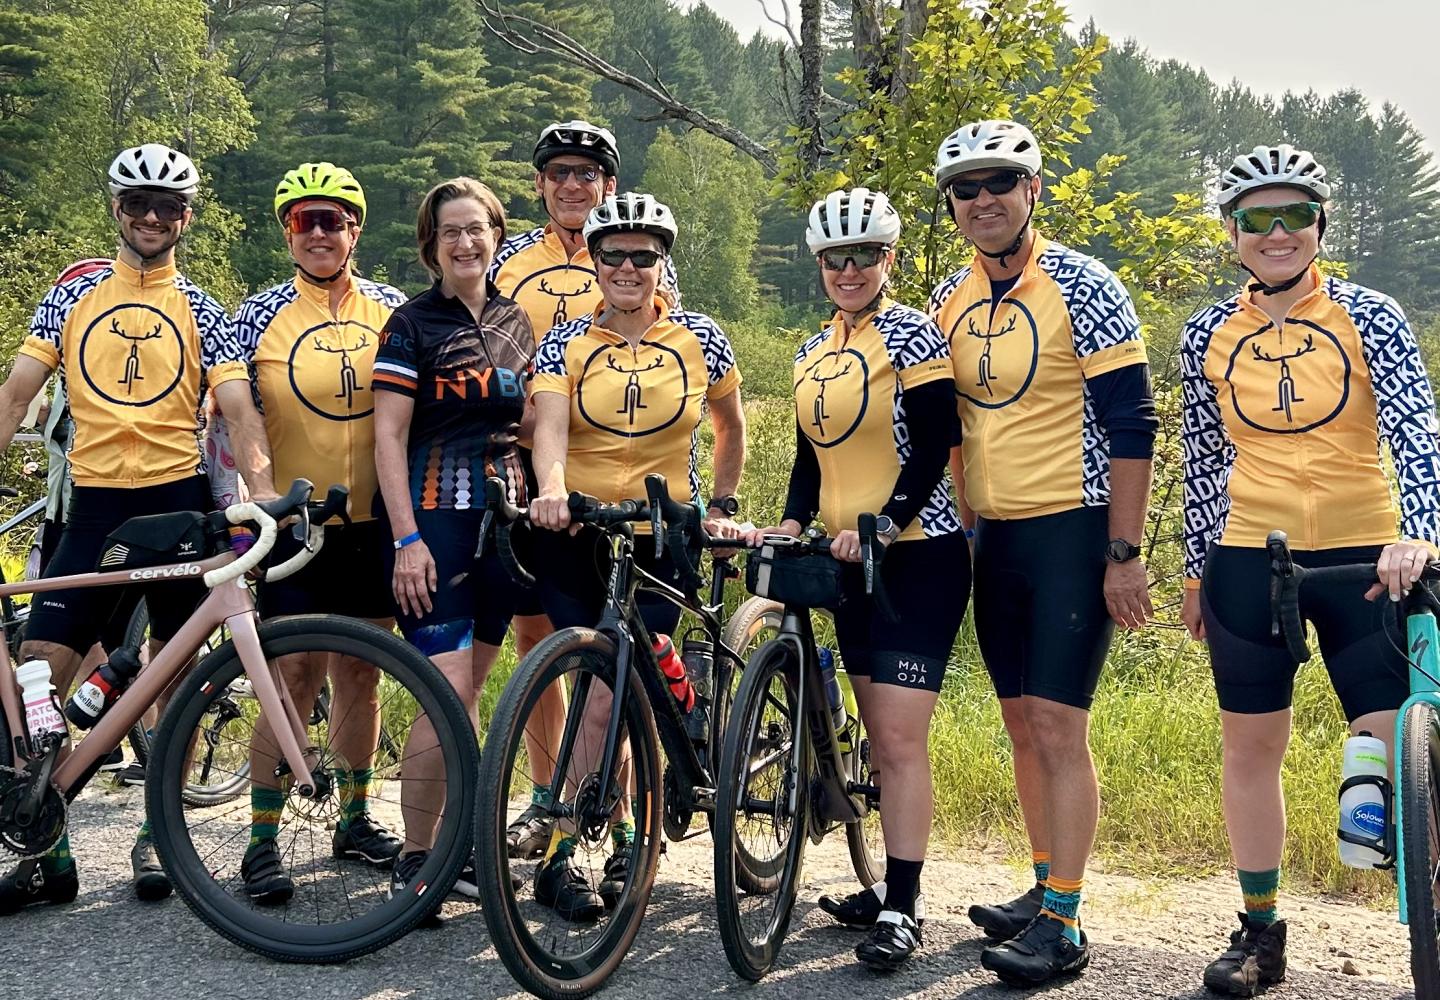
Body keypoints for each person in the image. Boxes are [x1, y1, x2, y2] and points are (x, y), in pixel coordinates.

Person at [1181, 144, 1440, 997]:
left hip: (1369, 557)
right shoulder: (1205, 333)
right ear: (1233, 236)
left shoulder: (1371, 314)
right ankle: (1260, 935)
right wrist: (1194, 571)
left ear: (1321, 226)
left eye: (1295, 214)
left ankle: (1424, 910)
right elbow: (1207, 460)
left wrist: (1423, 534)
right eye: (1257, 218)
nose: (1278, 231)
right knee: (1250, 747)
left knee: (1391, 756)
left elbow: (1415, 431)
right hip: (1250, 558)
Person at [0, 143, 274, 912]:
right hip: (91, 507)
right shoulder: (71, 299)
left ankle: (160, 829)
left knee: (176, 675)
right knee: (41, 669)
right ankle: (43, 846)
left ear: (186, 217)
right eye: (137, 205)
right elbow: (17, 394)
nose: (152, 218)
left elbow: (242, 411)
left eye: (168, 207)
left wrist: (265, 497)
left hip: (177, 504)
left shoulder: (203, 306)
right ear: (116, 211)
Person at [929, 119, 1157, 985]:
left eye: (1000, 183)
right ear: (951, 206)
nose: (983, 200)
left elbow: (1134, 423)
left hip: (1073, 526)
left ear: (1032, 190)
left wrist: (1124, 551)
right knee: (1021, 722)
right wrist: (964, 518)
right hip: (997, 534)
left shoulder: (1085, 284)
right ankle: (1040, 884)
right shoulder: (953, 297)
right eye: (966, 189)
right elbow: (950, 423)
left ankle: (1065, 920)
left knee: (1061, 724)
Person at [746, 187, 966, 970]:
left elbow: (937, 443)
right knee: (877, 730)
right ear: (820, 265)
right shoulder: (812, 351)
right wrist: (792, 521)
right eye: (834, 258)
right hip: (844, 559)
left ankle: (903, 907)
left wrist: (886, 521)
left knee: (901, 740)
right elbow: (812, 457)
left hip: (917, 556)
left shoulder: (914, 335)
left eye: (863, 255)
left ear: (888, 260)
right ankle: (883, 887)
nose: (848, 269)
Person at [526, 192, 745, 920]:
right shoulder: (566, 342)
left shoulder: (700, 338)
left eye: (642, 254)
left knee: (615, 697)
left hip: (662, 536)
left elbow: (730, 425)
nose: (626, 266)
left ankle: (598, 845)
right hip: (578, 535)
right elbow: (549, 426)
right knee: (594, 694)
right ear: (592, 261)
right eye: (612, 253)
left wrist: (720, 505)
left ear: (661, 263)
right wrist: (552, 488)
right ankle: (597, 844)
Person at [489, 119, 682, 860]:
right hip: (539, 482)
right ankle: (550, 801)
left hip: (622, 489)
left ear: (610, 183)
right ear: (539, 182)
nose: (573, 183)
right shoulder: (509, 262)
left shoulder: (635, 248)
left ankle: (619, 814)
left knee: (617, 658)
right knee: (542, 646)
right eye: (559, 171)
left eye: (588, 172)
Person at [223, 162, 409, 904]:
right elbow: (242, 418)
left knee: (360, 673)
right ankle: (262, 839)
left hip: (375, 523)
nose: (321, 233)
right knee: (290, 677)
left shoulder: (393, 309)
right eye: (305, 220)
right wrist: (262, 495)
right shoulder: (256, 313)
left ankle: (356, 818)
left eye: (334, 220)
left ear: (356, 230)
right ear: (287, 232)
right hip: (296, 525)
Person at [373, 177, 536, 902]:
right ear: (430, 248)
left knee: (469, 691)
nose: (466, 243)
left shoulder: (516, 321)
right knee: (442, 692)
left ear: (497, 235)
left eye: (477, 229)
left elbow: (532, 427)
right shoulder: (410, 324)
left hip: (504, 528)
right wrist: (407, 538)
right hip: (433, 525)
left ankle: (459, 848)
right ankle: (417, 855)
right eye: (451, 233)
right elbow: (387, 437)